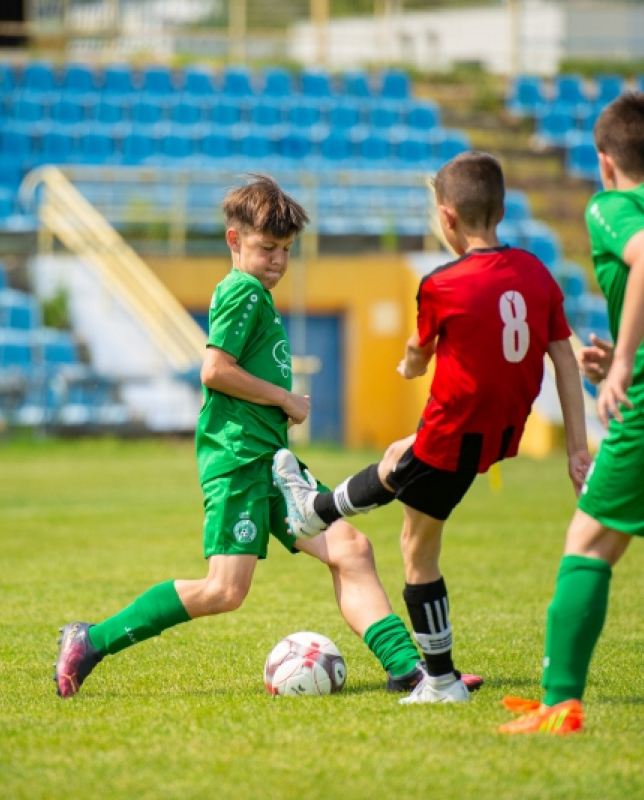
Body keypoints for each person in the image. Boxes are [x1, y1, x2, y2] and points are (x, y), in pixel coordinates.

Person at [53, 174, 474, 699]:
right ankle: (90, 641)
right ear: (235, 241)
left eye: (286, 250)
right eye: (267, 248)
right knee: (224, 590)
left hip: (272, 461)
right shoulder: (242, 290)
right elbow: (214, 370)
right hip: (240, 460)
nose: (277, 260)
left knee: (350, 547)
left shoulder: (255, 293)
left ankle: (407, 668)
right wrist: (284, 399)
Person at [273, 151, 590, 704]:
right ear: (502, 208)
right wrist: (577, 451)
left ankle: (440, 682)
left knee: (417, 548)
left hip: (453, 431)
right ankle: (315, 510)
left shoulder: (443, 283)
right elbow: (564, 359)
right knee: (400, 458)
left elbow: (421, 350)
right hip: (497, 435)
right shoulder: (537, 273)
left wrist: (410, 365)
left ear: (446, 218)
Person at [499, 93, 644, 735]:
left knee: (587, 543)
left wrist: (622, 368)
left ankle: (559, 705)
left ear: (604, 160)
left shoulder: (612, 205)